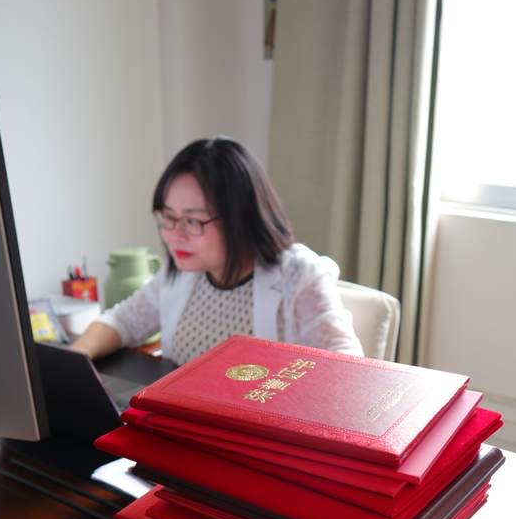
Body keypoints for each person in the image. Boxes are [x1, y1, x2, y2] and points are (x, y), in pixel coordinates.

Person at [70, 137, 363, 364]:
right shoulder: (183, 270)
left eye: (193, 221)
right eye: (168, 217)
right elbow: (123, 320)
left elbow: (348, 369)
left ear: (240, 218)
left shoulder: (298, 276)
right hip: (181, 419)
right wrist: (73, 361)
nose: (175, 235)